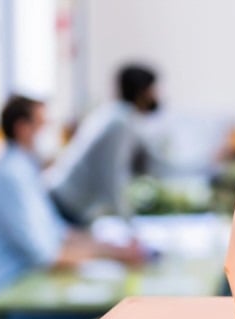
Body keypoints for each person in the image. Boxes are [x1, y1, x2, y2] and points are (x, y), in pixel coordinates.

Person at [0, 95, 143, 319]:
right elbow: (48, 255)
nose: (49, 133)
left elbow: (59, 233)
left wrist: (110, 246)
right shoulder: (10, 176)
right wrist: (115, 254)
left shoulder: (25, 169)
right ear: (23, 128)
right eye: (43, 125)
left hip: (22, 289)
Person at [46, 64, 160, 226]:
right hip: (66, 204)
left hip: (64, 199)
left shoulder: (113, 114)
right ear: (143, 91)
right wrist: (128, 222)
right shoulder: (120, 123)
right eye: (153, 90)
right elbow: (112, 174)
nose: (157, 95)